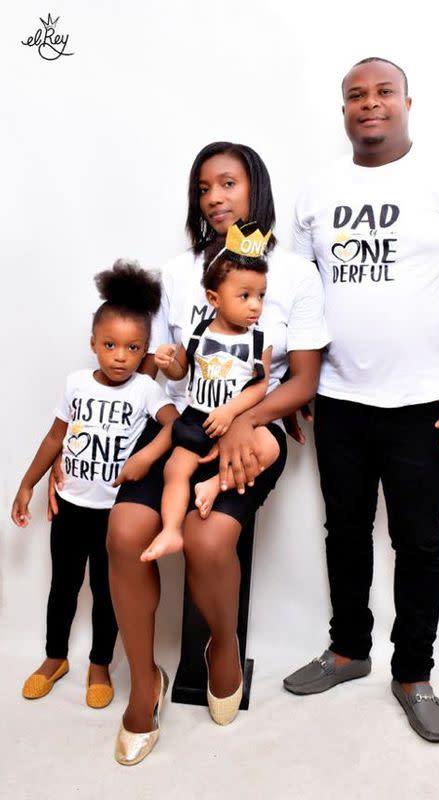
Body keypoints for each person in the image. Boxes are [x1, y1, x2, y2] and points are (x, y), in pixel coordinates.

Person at [283, 57, 439, 743]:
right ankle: (349, 651)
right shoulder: (316, 191)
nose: (368, 104)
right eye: (355, 95)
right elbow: (300, 296)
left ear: (407, 101)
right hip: (339, 398)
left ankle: (413, 673)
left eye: (382, 92)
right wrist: (296, 384)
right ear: (342, 108)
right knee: (342, 532)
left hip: (424, 404)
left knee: (417, 541)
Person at [104, 142, 328, 766]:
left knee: (207, 542)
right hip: (186, 423)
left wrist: (246, 421)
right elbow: (164, 364)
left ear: (254, 188)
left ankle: (222, 646)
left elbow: (302, 380)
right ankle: (145, 684)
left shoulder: (296, 274)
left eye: (228, 183)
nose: (216, 198)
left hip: (253, 427)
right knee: (125, 530)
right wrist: (162, 362)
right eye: (205, 188)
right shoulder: (179, 273)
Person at [11, 261, 177, 709]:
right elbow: (54, 436)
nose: (120, 355)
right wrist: (28, 483)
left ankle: (100, 663)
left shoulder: (145, 389)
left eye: (132, 346)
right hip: (69, 506)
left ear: (144, 349)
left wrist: (145, 455)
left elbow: (174, 425)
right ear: (93, 344)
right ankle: (54, 658)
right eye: (110, 345)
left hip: (112, 512)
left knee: (107, 592)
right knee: (62, 585)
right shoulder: (76, 383)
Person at [114, 220, 280, 561]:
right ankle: (172, 530)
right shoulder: (199, 332)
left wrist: (231, 411)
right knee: (176, 470)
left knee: (268, 447)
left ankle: (215, 485)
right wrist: (166, 362)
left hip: (230, 424)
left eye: (261, 296)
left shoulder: (258, 340)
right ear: (213, 298)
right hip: (196, 417)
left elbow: (260, 385)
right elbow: (182, 370)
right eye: (245, 296)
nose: (255, 306)